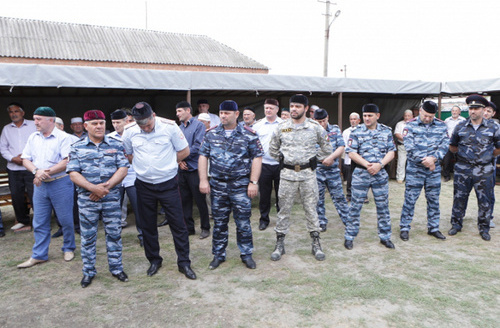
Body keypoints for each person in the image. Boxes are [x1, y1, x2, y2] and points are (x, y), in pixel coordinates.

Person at [122, 102, 196, 279]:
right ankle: (154, 260)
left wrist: (168, 162)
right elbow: (130, 155)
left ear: (154, 116)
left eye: (148, 124)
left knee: (178, 225)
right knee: (147, 226)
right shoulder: (130, 131)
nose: (146, 128)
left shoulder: (170, 127)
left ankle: (184, 262)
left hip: (168, 184)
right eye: (142, 125)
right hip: (144, 185)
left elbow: (184, 151)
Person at [67, 110, 129, 288]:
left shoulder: (116, 144)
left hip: (111, 198)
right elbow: (73, 173)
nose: (99, 126)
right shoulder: (76, 147)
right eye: (94, 123)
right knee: (88, 237)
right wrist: (93, 188)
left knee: (115, 234)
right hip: (88, 200)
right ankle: (88, 272)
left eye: (101, 123)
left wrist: (105, 187)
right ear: (86, 126)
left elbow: (123, 168)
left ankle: (117, 268)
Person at [199, 100, 263, 270]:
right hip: (218, 185)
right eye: (221, 113)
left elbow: (257, 157)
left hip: (240, 185)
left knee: (243, 222)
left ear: (236, 114)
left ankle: (246, 254)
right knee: (219, 222)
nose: (223, 116)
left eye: (227, 113)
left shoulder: (249, 134)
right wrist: (204, 180)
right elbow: (203, 156)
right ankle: (218, 254)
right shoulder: (211, 134)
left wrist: (253, 182)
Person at [269, 94, 332, 261]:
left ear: (306, 108)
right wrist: (284, 160)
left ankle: (316, 243)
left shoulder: (315, 127)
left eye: (297, 106)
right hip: (287, 175)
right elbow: (272, 150)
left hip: (307, 175)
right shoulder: (281, 127)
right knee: (283, 210)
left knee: (311, 209)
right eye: (292, 106)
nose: (294, 109)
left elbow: (327, 148)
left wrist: (314, 159)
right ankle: (279, 244)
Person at [17, 106, 76, 268]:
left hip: (61, 183)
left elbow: (66, 161)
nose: (35, 122)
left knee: (65, 219)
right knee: (39, 221)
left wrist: (42, 173)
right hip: (41, 185)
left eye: (38, 119)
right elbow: (25, 159)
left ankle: (69, 247)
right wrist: (37, 172)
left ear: (51, 120)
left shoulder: (64, 138)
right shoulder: (33, 137)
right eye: (35, 119)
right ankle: (39, 254)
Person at [344, 103, 396, 250]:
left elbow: (391, 152)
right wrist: (368, 165)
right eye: (365, 115)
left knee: (383, 207)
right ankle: (349, 236)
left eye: (370, 116)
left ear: (377, 116)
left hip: (380, 173)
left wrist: (379, 165)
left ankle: (385, 237)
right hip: (361, 173)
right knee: (355, 206)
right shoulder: (356, 131)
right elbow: (351, 152)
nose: (367, 118)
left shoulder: (386, 131)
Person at [449, 95, 500, 241]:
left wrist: (487, 156)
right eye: (471, 108)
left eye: (476, 108)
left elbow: (498, 148)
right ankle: (456, 224)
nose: (473, 111)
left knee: (485, 200)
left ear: (483, 110)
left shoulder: (494, 127)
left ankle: (484, 228)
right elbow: (453, 146)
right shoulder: (460, 126)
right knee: (459, 198)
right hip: (463, 169)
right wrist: (466, 156)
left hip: (484, 170)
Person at [399, 101, 448, 241]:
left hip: (434, 170)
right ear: (420, 111)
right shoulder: (410, 126)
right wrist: (426, 162)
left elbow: (445, 145)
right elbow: (409, 148)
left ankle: (433, 227)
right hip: (415, 170)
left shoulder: (441, 125)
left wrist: (433, 159)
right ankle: (404, 227)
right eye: (426, 115)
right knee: (410, 199)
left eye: (431, 116)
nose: (427, 119)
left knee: (433, 200)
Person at [108, 109, 143, 246]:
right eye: (113, 122)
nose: (116, 125)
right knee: (114, 209)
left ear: (126, 121)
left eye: (118, 122)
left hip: (133, 176)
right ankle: (114, 238)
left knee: (138, 208)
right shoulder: (110, 138)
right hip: (116, 178)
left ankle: (143, 235)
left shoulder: (134, 135)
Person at [176, 101, 210, 239]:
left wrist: (183, 158)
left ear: (188, 110)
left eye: (180, 111)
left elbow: (198, 146)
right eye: (177, 111)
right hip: (182, 169)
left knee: (200, 201)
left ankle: (205, 227)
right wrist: (179, 161)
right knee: (184, 201)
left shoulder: (199, 125)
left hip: (195, 169)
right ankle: (189, 228)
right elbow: (176, 146)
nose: (177, 114)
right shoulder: (178, 128)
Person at [0, 102, 36, 232]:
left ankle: (39, 221)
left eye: (16, 111)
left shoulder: (33, 125)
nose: (13, 114)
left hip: (31, 167)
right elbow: (3, 148)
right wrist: (13, 158)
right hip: (14, 168)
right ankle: (22, 221)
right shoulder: (6, 129)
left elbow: (39, 142)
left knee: (35, 195)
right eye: (11, 112)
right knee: (16, 195)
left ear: (22, 113)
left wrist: (26, 157)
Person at [313, 108, 348, 232]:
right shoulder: (311, 130)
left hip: (332, 170)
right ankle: (321, 222)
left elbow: (341, 146)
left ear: (327, 118)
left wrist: (331, 157)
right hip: (317, 170)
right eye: (318, 121)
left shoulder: (334, 129)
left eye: (323, 121)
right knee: (318, 198)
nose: (321, 124)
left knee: (339, 197)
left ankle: (347, 220)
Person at [253, 99, 282, 231]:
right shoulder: (258, 125)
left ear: (277, 109)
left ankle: (282, 220)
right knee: (264, 195)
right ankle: (264, 219)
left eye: (271, 108)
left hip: (280, 164)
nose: (268, 110)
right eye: (266, 108)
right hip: (264, 164)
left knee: (281, 194)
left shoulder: (284, 124)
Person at [442, 106, 466, 182]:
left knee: (461, 160)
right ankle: (446, 176)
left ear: (459, 112)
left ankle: (461, 176)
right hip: (449, 143)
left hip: (460, 143)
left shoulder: (463, 120)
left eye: (456, 111)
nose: (454, 112)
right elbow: (444, 131)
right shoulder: (447, 120)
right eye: (453, 110)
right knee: (446, 160)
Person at [342, 112, 361, 202]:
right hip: (349, 158)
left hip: (360, 159)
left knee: (361, 178)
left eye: (354, 119)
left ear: (359, 120)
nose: (353, 121)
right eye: (351, 119)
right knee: (349, 178)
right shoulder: (346, 131)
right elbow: (344, 144)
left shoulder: (362, 130)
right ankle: (349, 195)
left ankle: (362, 196)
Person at [394, 109, 414, 183]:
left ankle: (411, 178)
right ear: (403, 116)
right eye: (405, 116)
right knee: (401, 162)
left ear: (412, 116)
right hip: (402, 145)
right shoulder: (399, 124)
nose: (407, 117)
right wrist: (406, 139)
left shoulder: (415, 124)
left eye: (409, 116)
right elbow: (397, 134)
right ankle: (400, 178)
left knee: (412, 163)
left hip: (412, 147)